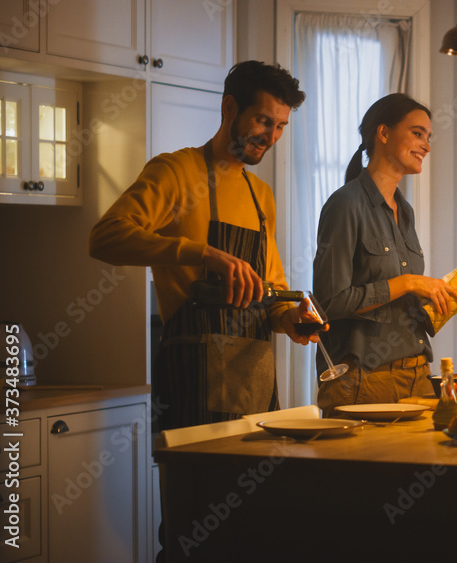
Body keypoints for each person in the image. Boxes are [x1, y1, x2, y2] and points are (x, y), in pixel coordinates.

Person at [89, 61, 318, 431]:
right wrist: (202, 253)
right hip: (191, 381)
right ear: (230, 108)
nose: (271, 136)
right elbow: (104, 238)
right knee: (196, 489)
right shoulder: (176, 171)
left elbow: (271, 290)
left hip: (255, 384)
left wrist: (289, 317)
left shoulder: (261, 196)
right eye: (262, 121)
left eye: (280, 126)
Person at [314, 93, 457, 416]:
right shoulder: (345, 205)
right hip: (363, 384)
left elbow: (400, 302)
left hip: (417, 378)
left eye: (428, 137)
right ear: (383, 134)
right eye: (417, 133)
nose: (426, 146)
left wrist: (456, 292)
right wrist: (410, 282)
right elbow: (330, 302)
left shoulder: (406, 212)